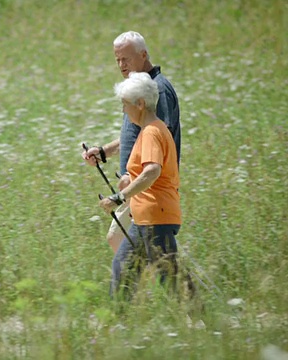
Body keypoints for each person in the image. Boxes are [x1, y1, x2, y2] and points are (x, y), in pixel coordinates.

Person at [82, 31, 180, 254]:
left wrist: (131, 181)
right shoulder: (137, 87)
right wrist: (103, 152)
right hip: (139, 186)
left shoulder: (156, 89)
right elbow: (136, 137)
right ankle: (150, 283)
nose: (121, 65)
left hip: (150, 190)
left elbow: (156, 139)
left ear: (144, 54)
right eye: (117, 59)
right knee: (132, 246)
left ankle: (141, 285)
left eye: (126, 59)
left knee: (122, 242)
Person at [98, 72, 181, 296]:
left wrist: (119, 196)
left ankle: (203, 322)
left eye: (125, 105)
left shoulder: (152, 131)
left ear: (140, 104)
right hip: (149, 215)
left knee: (170, 279)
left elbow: (153, 170)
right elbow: (148, 172)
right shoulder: (151, 130)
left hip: (156, 215)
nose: (124, 110)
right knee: (125, 269)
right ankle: (119, 324)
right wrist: (131, 180)